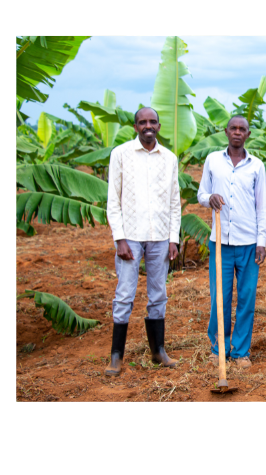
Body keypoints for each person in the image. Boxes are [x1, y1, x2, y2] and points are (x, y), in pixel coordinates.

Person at [104, 107, 181, 376]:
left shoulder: (169, 158)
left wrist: (174, 238)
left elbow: (174, 201)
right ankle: (116, 357)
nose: (148, 126)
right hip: (131, 237)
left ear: (159, 126)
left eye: (152, 122)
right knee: (125, 294)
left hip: (160, 236)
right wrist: (120, 238)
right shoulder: (121, 154)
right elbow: (113, 200)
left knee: (158, 294)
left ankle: (158, 351)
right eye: (142, 122)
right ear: (135, 126)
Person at [197, 116, 266, 369]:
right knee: (221, 298)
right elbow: (201, 193)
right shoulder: (213, 161)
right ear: (226, 131)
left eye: (242, 129)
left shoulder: (256, 165)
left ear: (248, 134)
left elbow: (262, 207)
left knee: (247, 298)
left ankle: (241, 352)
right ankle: (219, 348)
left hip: (249, 243)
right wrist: (210, 199)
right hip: (220, 243)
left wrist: (262, 241)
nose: (237, 132)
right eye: (233, 128)